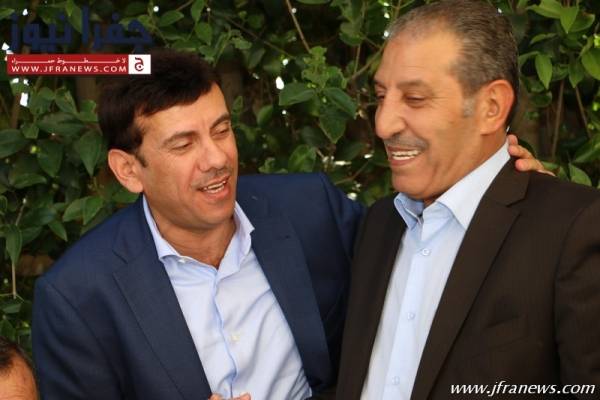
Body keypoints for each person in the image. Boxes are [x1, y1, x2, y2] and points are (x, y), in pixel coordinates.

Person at [31, 49, 544, 400]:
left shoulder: (308, 210)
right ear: (128, 171)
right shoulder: (77, 297)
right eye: (184, 144)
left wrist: (494, 183)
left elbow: (421, 245)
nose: (217, 158)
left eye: (221, 130)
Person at [335, 1, 600, 399]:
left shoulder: (572, 229)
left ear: (491, 107)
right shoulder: (379, 225)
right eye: (381, 95)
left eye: (415, 99)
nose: (383, 124)